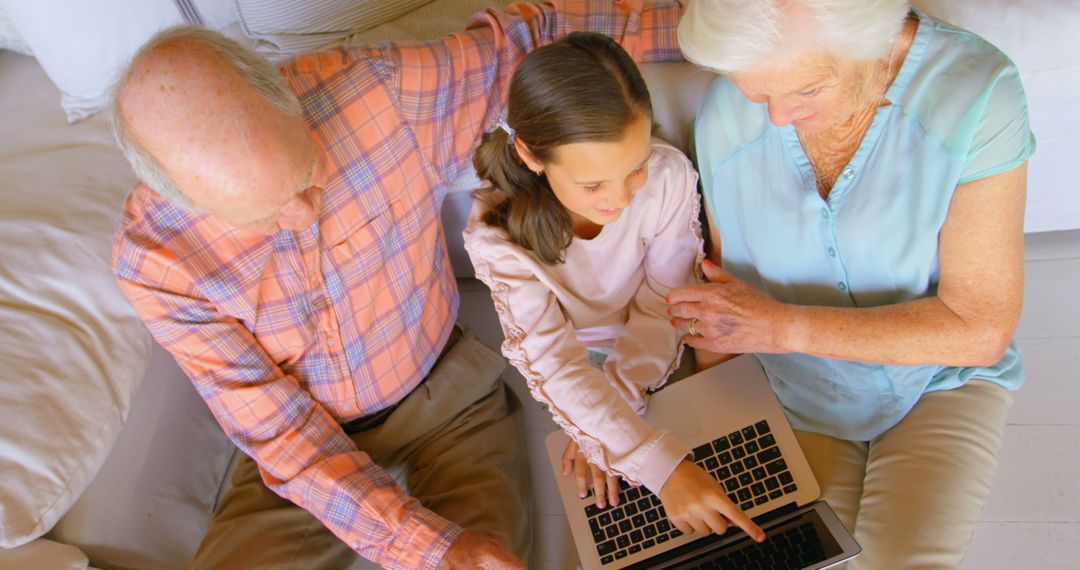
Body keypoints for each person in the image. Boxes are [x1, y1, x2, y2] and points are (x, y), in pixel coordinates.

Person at [108, 2, 686, 568]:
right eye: (264, 216)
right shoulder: (156, 262)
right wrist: (428, 548)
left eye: (306, 174)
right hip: (310, 442)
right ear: (180, 196)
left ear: (284, 93)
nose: (305, 215)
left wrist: (724, 32)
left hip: (448, 390)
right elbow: (279, 430)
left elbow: (542, 31)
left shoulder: (383, 93)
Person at [669, 1, 1033, 567]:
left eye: (807, 91)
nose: (778, 118)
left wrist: (782, 325)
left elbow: (978, 330)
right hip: (789, 390)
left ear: (872, 39)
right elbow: (724, 302)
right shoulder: (725, 115)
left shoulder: (977, 92)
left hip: (936, 378)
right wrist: (711, 439)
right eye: (757, 94)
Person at [464, 31, 765, 542]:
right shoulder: (496, 237)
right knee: (613, 515)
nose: (621, 198)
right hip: (573, 374)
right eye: (592, 185)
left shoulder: (668, 177)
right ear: (533, 157)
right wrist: (643, 457)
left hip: (655, 351)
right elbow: (555, 364)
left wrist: (610, 419)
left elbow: (662, 303)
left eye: (636, 167)